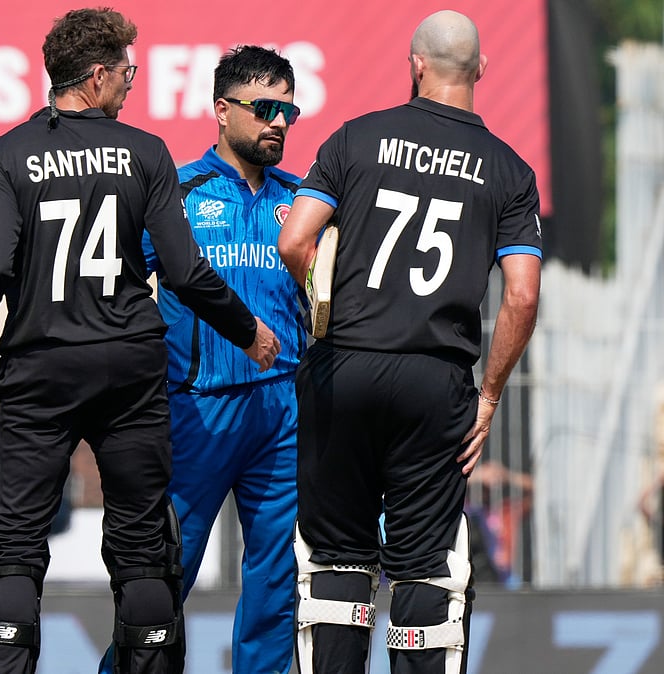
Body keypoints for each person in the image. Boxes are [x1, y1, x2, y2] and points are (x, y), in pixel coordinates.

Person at [0, 8, 280, 674]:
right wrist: (248, 329)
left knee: (13, 548)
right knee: (144, 546)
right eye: (127, 71)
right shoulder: (146, 152)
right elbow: (183, 271)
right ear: (95, 77)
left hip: (40, 364)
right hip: (129, 366)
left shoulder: (6, 153)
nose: (131, 83)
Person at [277, 10, 541, 674]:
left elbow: (294, 240)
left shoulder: (355, 140)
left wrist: (324, 306)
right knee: (426, 567)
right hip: (436, 381)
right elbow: (522, 294)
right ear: (479, 70)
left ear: (415, 65)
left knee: (338, 559)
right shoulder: (508, 172)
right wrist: (488, 396)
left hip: (345, 369)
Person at [100, 45, 304, 674]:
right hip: (195, 407)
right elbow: (120, 287)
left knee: (276, 581)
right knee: (164, 578)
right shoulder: (178, 191)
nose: (278, 122)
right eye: (264, 107)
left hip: (283, 411)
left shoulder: (304, 200)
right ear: (222, 110)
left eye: (289, 112)